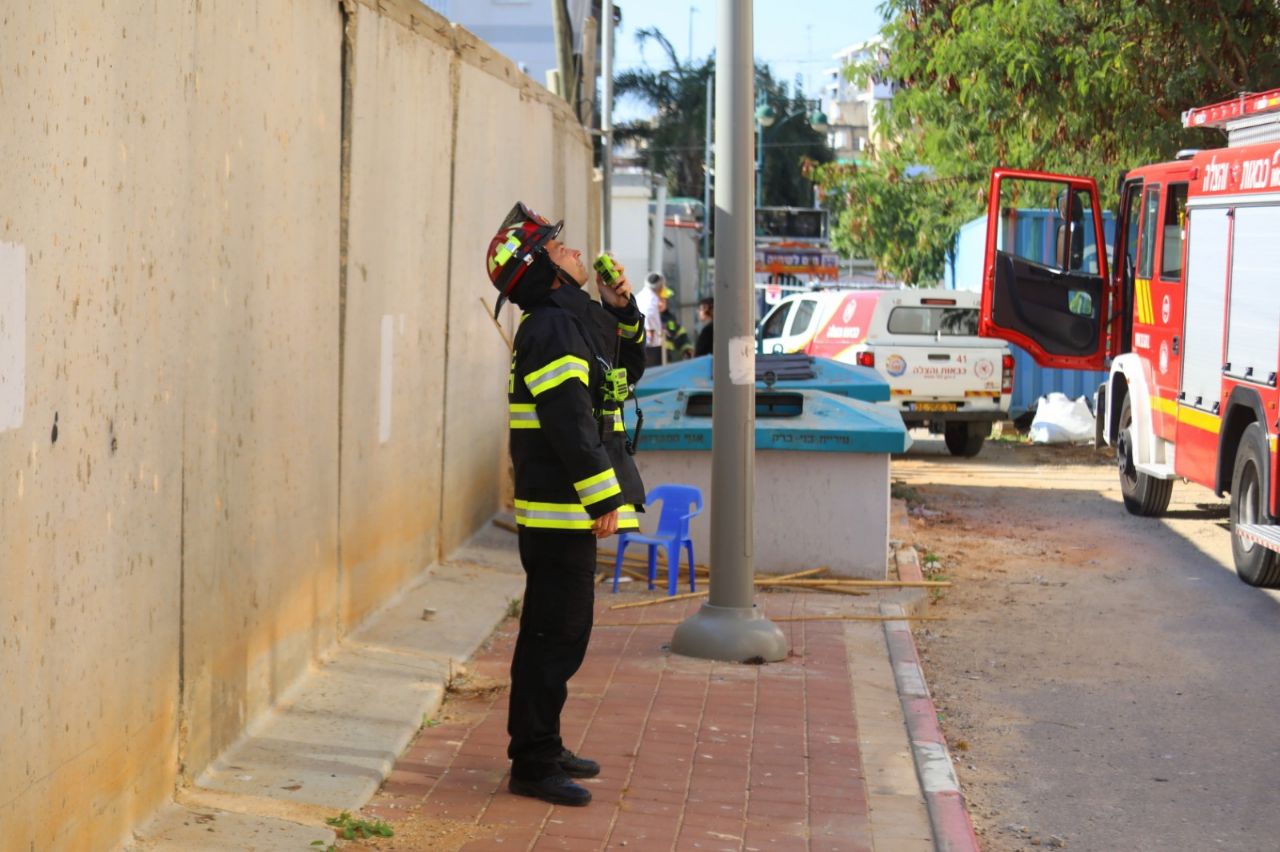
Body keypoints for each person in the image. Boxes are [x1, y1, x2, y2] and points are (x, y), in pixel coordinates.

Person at [484, 201, 647, 807]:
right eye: (559, 248)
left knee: (563, 631)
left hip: (568, 506)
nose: (573, 250)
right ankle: (532, 761)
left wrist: (622, 307)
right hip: (559, 507)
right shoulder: (551, 328)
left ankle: (544, 745)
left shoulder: (571, 319)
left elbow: (622, 379)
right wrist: (601, 493)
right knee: (555, 634)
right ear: (544, 270)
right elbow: (568, 419)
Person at [635, 272, 667, 366]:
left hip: (639, 344)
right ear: (661, 287)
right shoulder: (652, 302)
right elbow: (650, 328)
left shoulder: (640, 296)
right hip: (650, 349)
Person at [658, 286, 694, 360]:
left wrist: (687, 349)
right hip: (651, 356)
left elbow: (680, 335)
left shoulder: (670, 318)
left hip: (666, 357)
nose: (660, 304)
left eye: (663, 301)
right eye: (658, 300)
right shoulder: (646, 317)